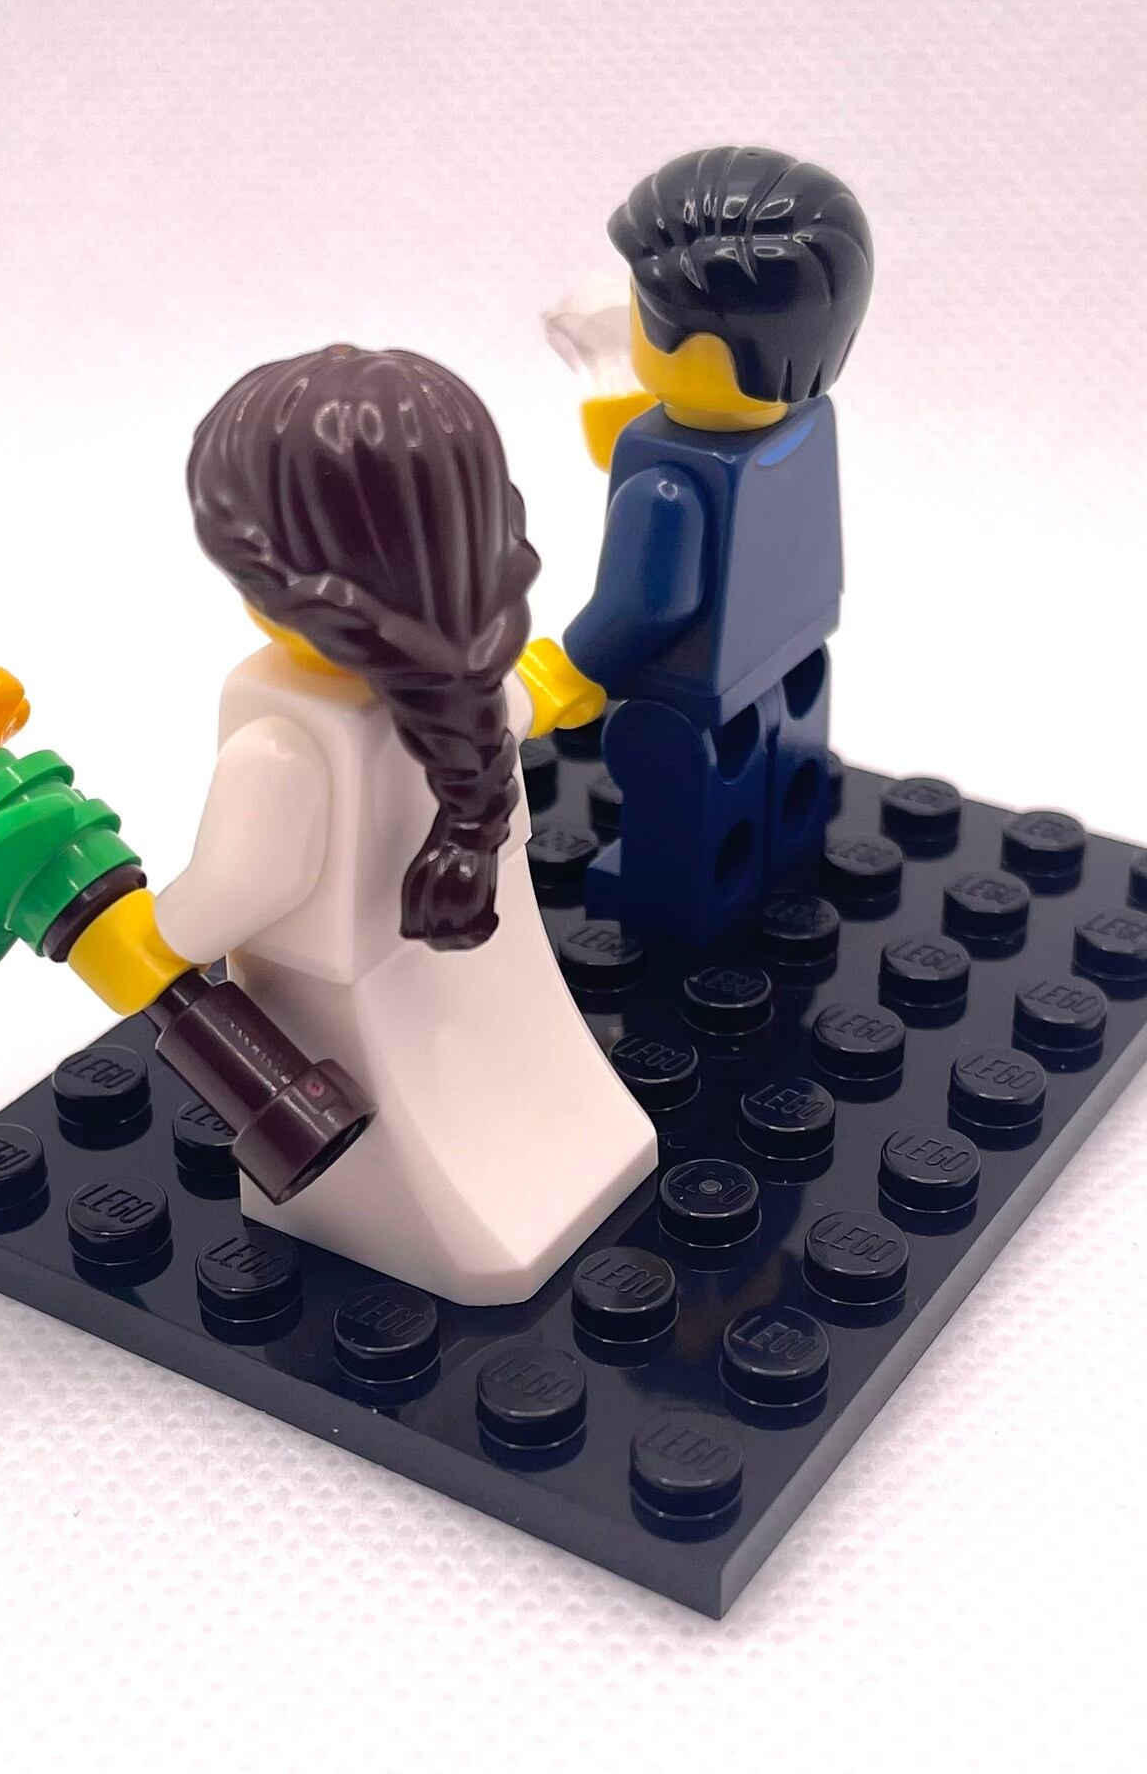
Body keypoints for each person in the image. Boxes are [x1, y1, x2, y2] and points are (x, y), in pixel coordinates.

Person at [151, 343, 656, 1306]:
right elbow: (514, 720)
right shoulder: (477, 678)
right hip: (488, 942)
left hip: (333, 998)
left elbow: (237, 889)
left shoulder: (284, 736)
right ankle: (578, 1154)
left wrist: (153, 931)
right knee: (522, 1060)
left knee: (393, 1143)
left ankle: (413, 1232)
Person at [551, 146, 873, 945]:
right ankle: (780, 849)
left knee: (674, 783)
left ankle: (669, 906)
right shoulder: (803, 426)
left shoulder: (667, 482)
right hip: (792, 649)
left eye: (639, 303)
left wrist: (570, 669)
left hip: (683, 694)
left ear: (701, 348)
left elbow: (646, 602)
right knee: (781, 760)